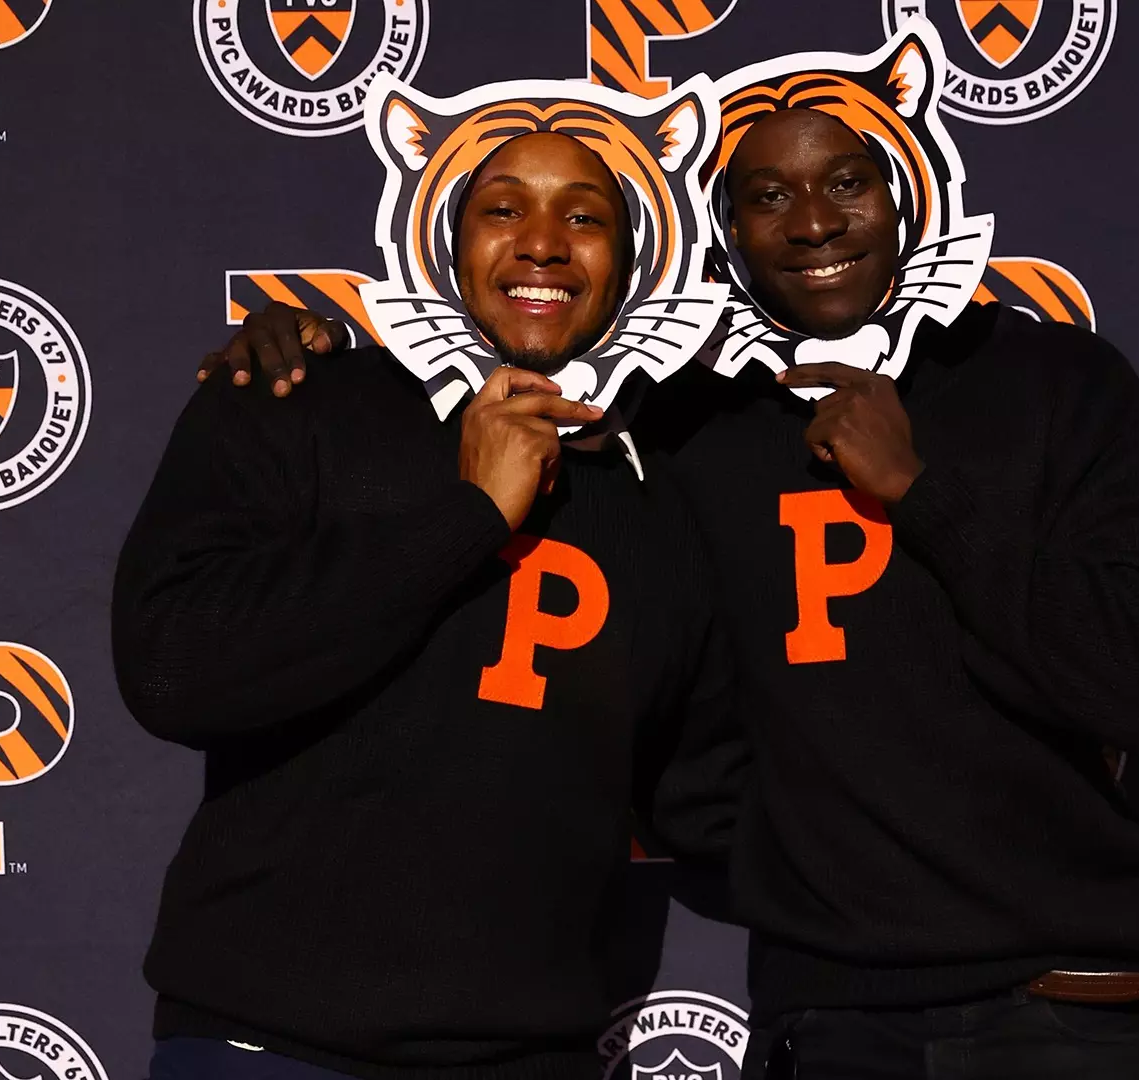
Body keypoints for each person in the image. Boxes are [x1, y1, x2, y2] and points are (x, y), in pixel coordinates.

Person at [205, 107, 1139, 1080]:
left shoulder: (1060, 382)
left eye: (846, 183)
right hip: (825, 1018)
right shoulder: (688, 439)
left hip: (1062, 1013)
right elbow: (684, 746)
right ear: (728, 241)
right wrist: (303, 346)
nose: (813, 220)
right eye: (768, 195)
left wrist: (919, 492)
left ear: (904, 200)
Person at [114, 130, 739, 1080]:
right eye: (503, 209)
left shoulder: (658, 491)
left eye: (584, 216)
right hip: (270, 1043)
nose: (542, 242)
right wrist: (471, 515)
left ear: (631, 261)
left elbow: (708, 794)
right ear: (448, 246)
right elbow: (173, 671)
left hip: (528, 1055)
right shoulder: (297, 394)